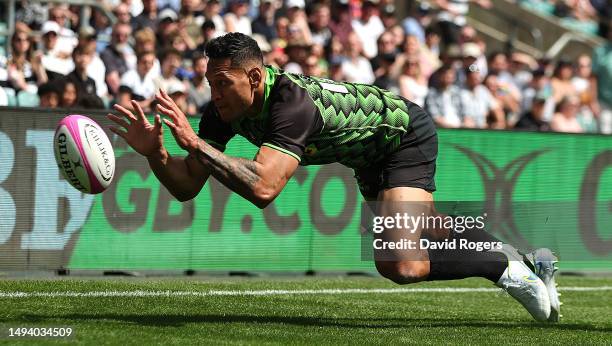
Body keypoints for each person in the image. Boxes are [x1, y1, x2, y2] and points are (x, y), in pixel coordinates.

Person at [108, 32, 560, 323]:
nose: (215, 92)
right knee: (424, 239)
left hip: (402, 133)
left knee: (403, 263)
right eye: (210, 82)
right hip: (366, 154)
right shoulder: (223, 112)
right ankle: (522, 256)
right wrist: (157, 154)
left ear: (255, 76)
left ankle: (509, 271)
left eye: (223, 81)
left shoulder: (290, 105)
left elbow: (265, 188)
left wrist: (195, 146)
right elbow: (187, 186)